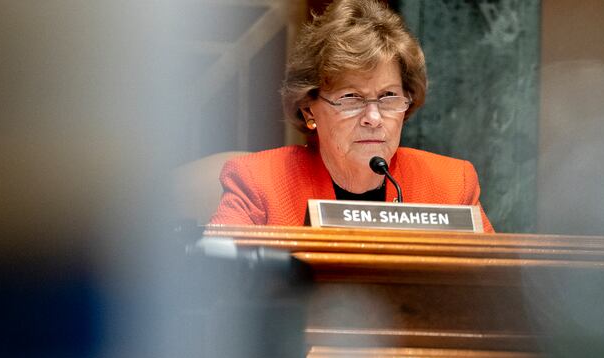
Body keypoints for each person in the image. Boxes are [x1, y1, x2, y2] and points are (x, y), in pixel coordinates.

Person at [209, 0, 494, 232]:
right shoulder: (259, 183)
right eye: (351, 98)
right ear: (309, 108)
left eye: (388, 97)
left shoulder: (452, 185)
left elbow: (493, 291)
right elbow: (219, 289)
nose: (373, 117)